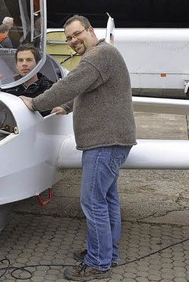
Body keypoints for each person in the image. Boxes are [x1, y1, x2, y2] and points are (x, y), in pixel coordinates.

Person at [19, 15, 136, 280]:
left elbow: (70, 84)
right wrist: (69, 106)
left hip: (104, 142)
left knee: (92, 201)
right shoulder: (104, 55)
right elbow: (88, 90)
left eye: (76, 34)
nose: (73, 41)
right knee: (106, 200)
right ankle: (107, 254)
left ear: (90, 31)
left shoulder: (99, 55)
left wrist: (36, 103)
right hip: (112, 140)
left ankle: (97, 263)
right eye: (68, 38)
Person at [3, 45, 53, 116]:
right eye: (20, 60)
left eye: (29, 60)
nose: (24, 64)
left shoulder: (49, 88)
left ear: (38, 64)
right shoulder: (7, 88)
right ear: (16, 65)